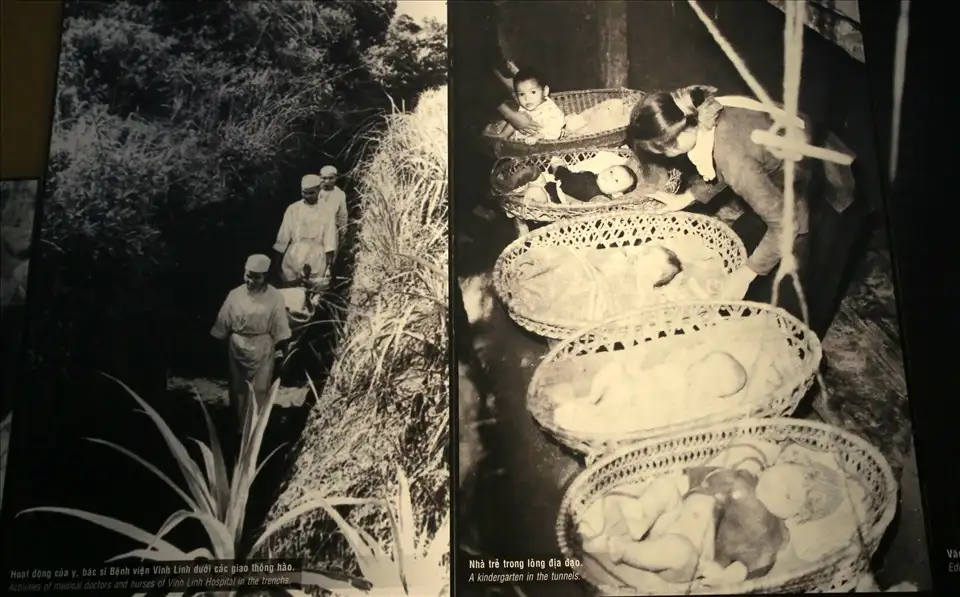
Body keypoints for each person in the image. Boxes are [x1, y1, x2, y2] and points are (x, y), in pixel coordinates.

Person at [626, 85, 859, 334]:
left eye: (661, 150)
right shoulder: (704, 109)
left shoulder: (734, 159)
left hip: (823, 180)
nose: (664, 156)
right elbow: (722, 160)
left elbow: (783, 221)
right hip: (782, 163)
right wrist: (687, 198)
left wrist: (747, 274)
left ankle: (794, 342)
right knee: (751, 245)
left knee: (799, 282)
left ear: (678, 136)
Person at [211, 254, 292, 427]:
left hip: (262, 348)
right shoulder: (235, 295)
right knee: (238, 389)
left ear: (265, 278)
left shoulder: (275, 297)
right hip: (237, 347)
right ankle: (238, 429)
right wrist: (219, 349)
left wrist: (285, 353)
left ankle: (256, 430)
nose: (251, 281)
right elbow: (222, 324)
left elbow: (280, 327)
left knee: (260, 389)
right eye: (248, 275)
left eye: (256, 277)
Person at [272, 174, 339, 289]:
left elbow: (329, 240)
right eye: (304, 192)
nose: (307, 196)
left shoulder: (327, 210)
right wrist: (276, 265)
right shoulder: (293, 209)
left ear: (319, 190)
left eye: (311, 193)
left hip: (316, 257)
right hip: (294, 256)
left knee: (312, 293)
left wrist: (329, 267)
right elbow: (283, 237)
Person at [490, 64, 566, 145]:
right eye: (522, 94)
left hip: (546, 145)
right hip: (522, 145)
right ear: (516, 96)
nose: (527, 98)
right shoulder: (524, 107)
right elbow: (514, 123)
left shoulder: (550, 110)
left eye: (533, 92)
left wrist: (538, 136)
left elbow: (555, 130)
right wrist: (503, 135)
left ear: (545, 91)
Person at [544, 158, 639, 203]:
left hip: (555, 199)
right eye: (611, 172)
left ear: (617, 194)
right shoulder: (591, 175)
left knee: (536, 191)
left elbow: (594, 210)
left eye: (616, 180)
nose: (610, 177)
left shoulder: (600, 198)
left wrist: (561, 169)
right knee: (536, 175)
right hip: (553, 184)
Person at [316, 165, 349, 253]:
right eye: (324, 178)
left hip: (331, 232)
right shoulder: (314, 192)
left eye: (331, 178)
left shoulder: (340, 195)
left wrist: (343, 233)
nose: (327, 181)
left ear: (336, 178)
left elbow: (342, 215)